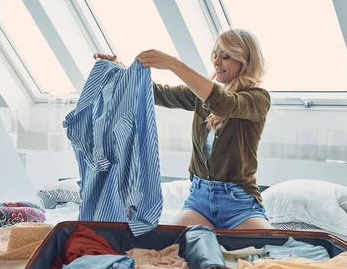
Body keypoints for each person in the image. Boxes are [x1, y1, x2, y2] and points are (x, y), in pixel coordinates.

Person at [94, 28, 273, 230]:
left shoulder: (258, 98)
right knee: (163, 250)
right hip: (200, 200)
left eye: (226, 56)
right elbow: (154, 93)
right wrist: (118, 68)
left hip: (238, 203)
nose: (217, 62)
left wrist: (173, 64)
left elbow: (222, 103)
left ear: (246, 61)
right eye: (216, 54)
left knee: (271, 253)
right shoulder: (202, 97)